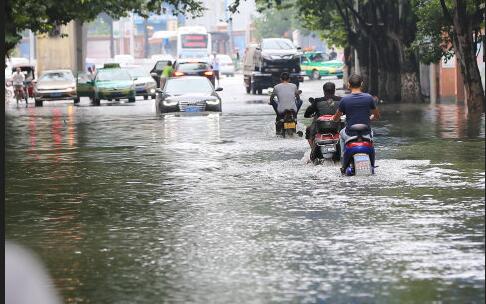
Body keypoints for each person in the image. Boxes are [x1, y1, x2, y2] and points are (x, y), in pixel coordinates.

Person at [332, 74, 381, 172]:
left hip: (350, 133)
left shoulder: (344, 100)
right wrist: (370, 118)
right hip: (366, 132)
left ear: (349, 85)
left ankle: (343, 160)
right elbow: (377, 116)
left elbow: (336, 118)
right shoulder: (369, 98)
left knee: (341, 134)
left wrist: (334, 118)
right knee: (371, 136)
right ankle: (372, 162)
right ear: (361, 84)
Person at [304, 82, 342, 147]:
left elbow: (307, 113)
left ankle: (312, 149)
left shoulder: (318, 101)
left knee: (308, 130)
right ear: (334, 90)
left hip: (320, 127)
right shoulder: (341, 100)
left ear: (324, 91)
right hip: (338, 126)